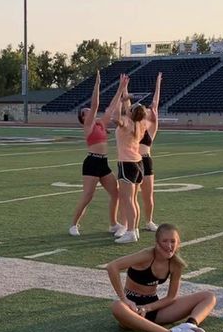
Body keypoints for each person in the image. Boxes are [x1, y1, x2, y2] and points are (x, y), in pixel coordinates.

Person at [106, 223, 216, 332]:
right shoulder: (146, 255)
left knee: (209, 296)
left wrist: (148, 308)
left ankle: (189, 325)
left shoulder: (175, 264)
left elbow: (171, 297)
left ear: (178, 243)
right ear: (157, 243)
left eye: (173, 241)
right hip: (132, 308)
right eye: (165, 241)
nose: (169, 246)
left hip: (154, 308)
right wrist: (124, 299)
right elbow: (112, 267)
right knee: (117, 306)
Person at [69, 70, 123, 237]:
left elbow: (112, 108)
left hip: (103, 163)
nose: (91, 112)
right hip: (92, 163)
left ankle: (113, 224)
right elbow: (95, 105)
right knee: (88, 196)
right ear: (83, 118)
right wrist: (97, 84)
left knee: (116, 192)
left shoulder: (100, 125)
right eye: (86, 112)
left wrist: (121, 88)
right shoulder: (89, 126)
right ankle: (73, 225)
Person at [111, 75, 147, 244]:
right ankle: (135, 229)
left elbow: (115, 116)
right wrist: (124, 87)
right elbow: (127, 109)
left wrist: (120, 96)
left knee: (127, 200)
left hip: (127, 164)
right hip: (138, 163)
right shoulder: (139, 124)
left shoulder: (126, 122)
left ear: (132, 112)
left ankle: (131, 231)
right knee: (133, 200)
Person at [138, 72, 162, 232]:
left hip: (146, 160)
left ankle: (149, 221)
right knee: (129, 196)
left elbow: (155, 102)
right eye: (145, 109)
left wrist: (158, 84)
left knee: (148, 195)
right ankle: (126, 223)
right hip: (133, 161)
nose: (147, 109)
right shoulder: (133, 126)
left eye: (149, 109)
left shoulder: (152, 127)